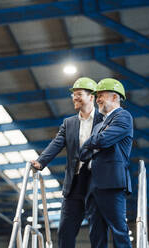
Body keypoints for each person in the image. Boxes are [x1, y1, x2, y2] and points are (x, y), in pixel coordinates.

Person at [30, 77, 103, 248]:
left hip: (96, 181)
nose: (74, 98)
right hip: (75, 182)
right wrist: (41, 162)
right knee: (65, 230)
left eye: (79, 94)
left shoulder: (104, 119)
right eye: (73, 95)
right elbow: (57, 143)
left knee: (97, 229)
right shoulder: (69, 123)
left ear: (91, 97)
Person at [79, 78, 133, 248]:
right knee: (96, 234)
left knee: (118, 230)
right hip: (93, 185)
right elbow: (82, 153)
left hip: (112, 183)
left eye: (101, 95)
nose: (98, 99)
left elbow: (102, 141)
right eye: (97, 96)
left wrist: (90, 142)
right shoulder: (98, 125)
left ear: (115, 97)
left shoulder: (123, 116)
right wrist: (92, 142)